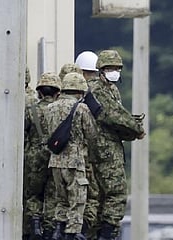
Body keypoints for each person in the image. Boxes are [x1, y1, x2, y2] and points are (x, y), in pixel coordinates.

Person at [87, 50, 145, 240]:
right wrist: (136, 128)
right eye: (110, 68)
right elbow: (113, 116)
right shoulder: (96, 88)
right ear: (101, 69)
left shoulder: (111, 89)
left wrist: (131, 127)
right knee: (116, 193)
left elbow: (118, 117)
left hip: (109, 147)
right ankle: (106, 233)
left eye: (117, 68)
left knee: (102, 197)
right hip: (103, 150)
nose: (115, 71)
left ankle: (102, 233)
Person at [45, 72, 98, 240]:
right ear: (80, 91)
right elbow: (92, 134)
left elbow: (47, 134)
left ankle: (58, 230)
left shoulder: (50, 108)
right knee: (77, 199)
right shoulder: (81, 108)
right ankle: (72, 233)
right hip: (75, 162)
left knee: (61, 199)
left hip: (55, 161)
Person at [22, 72, 61, 240]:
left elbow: (23, 133)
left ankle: (35, 224)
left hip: (34, 157)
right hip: (54, 157)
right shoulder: (60, 110)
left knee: (33, 194)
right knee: (52, 194)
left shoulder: (31, 110)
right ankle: (49, 229)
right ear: (57, 93)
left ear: (39, 92)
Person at [74, 51, 102, 239]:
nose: (89, 79)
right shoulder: (89, 101)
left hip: (64, 159)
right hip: (85, 158)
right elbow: (93, 133)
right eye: (88, 74)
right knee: (90, 198)